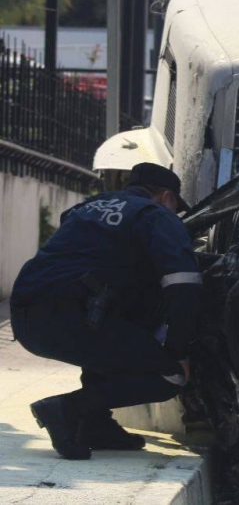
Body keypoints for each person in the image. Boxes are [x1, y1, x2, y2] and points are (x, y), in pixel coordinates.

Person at [9, 163, 201, 460]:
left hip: (25, 317)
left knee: (115, 323)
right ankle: (65, 410)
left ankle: (96, 425)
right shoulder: (155, 215)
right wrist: (179, 351)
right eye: (175, 206)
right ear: (165, 197)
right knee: (170, 376)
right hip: (72, 317)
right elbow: (184, 285)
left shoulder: (86, 208)